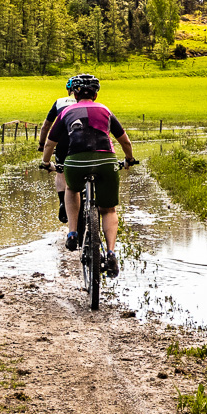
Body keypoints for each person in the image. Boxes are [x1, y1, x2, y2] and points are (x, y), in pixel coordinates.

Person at [39, 75, 136, 277]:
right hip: (106, 161)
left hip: (75, 161)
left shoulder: (65, 111)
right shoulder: (105, 110)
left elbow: (50, 143)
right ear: (96, 94)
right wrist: (129, 159)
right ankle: (111, 254)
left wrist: (47, 163)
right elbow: (125, 142)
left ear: (74, 94)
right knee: (108, 209)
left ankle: (73, 233)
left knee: (72, 189)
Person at [38, 76, 80, 224]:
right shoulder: (89, 103)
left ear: (69, 90)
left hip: (62, 140)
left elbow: (45, 126)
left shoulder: (60, 102)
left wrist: (42, 145)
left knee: (61, 170)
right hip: (83, 141)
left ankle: (62, 201)